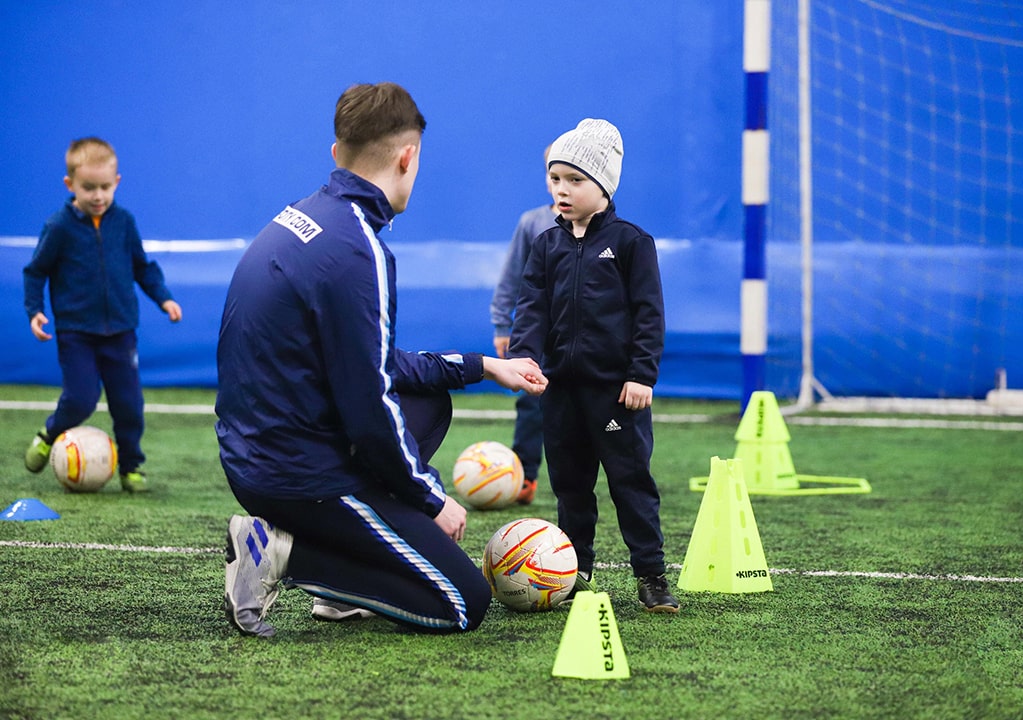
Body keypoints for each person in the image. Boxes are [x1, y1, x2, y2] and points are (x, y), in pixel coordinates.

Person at [216, 82, 548, 638]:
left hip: (260, 451)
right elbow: (370, 405)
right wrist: (430, 496)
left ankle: (340, 593)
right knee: (463, 601)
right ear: (408, 156)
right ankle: (280, 554)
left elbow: (376, 363)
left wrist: (483, 366)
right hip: (294, 475)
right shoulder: (357, 248)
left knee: (429, 404)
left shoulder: (307, 215)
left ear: (336, 154)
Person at [509, 118, 679, 613]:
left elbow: (650, 312)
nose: (561, 190)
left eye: (575, 180)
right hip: (561, 395)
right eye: (554, 178)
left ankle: (651, 575)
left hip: (614, 398)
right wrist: (524, 358)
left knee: (629, 481)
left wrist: (641, 374)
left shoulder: (631, 242)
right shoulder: (546, 244)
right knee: (570, 485)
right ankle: (573, 570)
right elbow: (532, 307)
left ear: (603, 185)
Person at [22, 137, 184, 493]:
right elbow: (36, 271)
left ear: (117, 183)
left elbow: (143, 267)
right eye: (88, 188)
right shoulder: (59, 227)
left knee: (129, 405)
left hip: (121, 332)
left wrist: (164, 298)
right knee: (80, 399)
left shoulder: (123, 222)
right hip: (77, 333)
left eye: (105, 187)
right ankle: (50, 433)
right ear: (70, 185)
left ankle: (131, 466)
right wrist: (35, 311)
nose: (98, 196)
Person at [490, 145, 558, 505]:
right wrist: (504, 326)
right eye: (553, 172)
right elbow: (512, 277)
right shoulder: (532, 223)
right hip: (539, 337)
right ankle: (525, 476)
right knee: (532, 406)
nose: (560, 183)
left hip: (588, 340)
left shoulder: (605, 228)